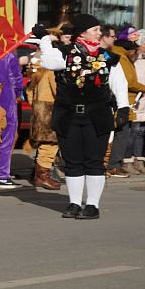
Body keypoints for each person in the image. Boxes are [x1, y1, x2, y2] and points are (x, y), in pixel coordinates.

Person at [45, 14, 127, 220]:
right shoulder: (65, 53)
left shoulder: (108, 57)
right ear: (83, 32)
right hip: (68, 114)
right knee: (72, 161)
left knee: (94, 161)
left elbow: (119, 82)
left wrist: (123, 107)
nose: (100, 34)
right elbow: (48, 61)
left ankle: (92, 204)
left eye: (99, 30)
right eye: (96, 30)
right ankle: (73, 203)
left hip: (97, 114)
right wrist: (44, 40)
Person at [106, 34, 144, 178]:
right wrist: (142, 87)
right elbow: (128, 80)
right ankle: (112, 165)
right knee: (121, 133)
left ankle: (111, 164)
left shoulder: (120, 56)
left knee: (120, 133)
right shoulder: (121, 57)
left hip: (124, 101)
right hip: (122, 102)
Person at [28, 30, 62, 190]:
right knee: (49, 145)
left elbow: (29, 90)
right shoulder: (51, 70)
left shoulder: (37, 69)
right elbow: (58, 90)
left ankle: (39, 175)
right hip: (50, 109)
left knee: (43, 144)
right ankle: (43, 176)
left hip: (39, 108)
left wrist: (34, 104)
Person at [0, 51, 23, 191]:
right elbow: (16, 79)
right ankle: (2, 175)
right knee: (6, 137)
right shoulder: (7, 53)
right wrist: (18, 93)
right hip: (5, 99)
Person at [130, 30, 145, 175]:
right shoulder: (133, 59)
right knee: (133, 131)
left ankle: (139, 160)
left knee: (141, 132)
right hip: (138, 100)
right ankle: (128, 159)